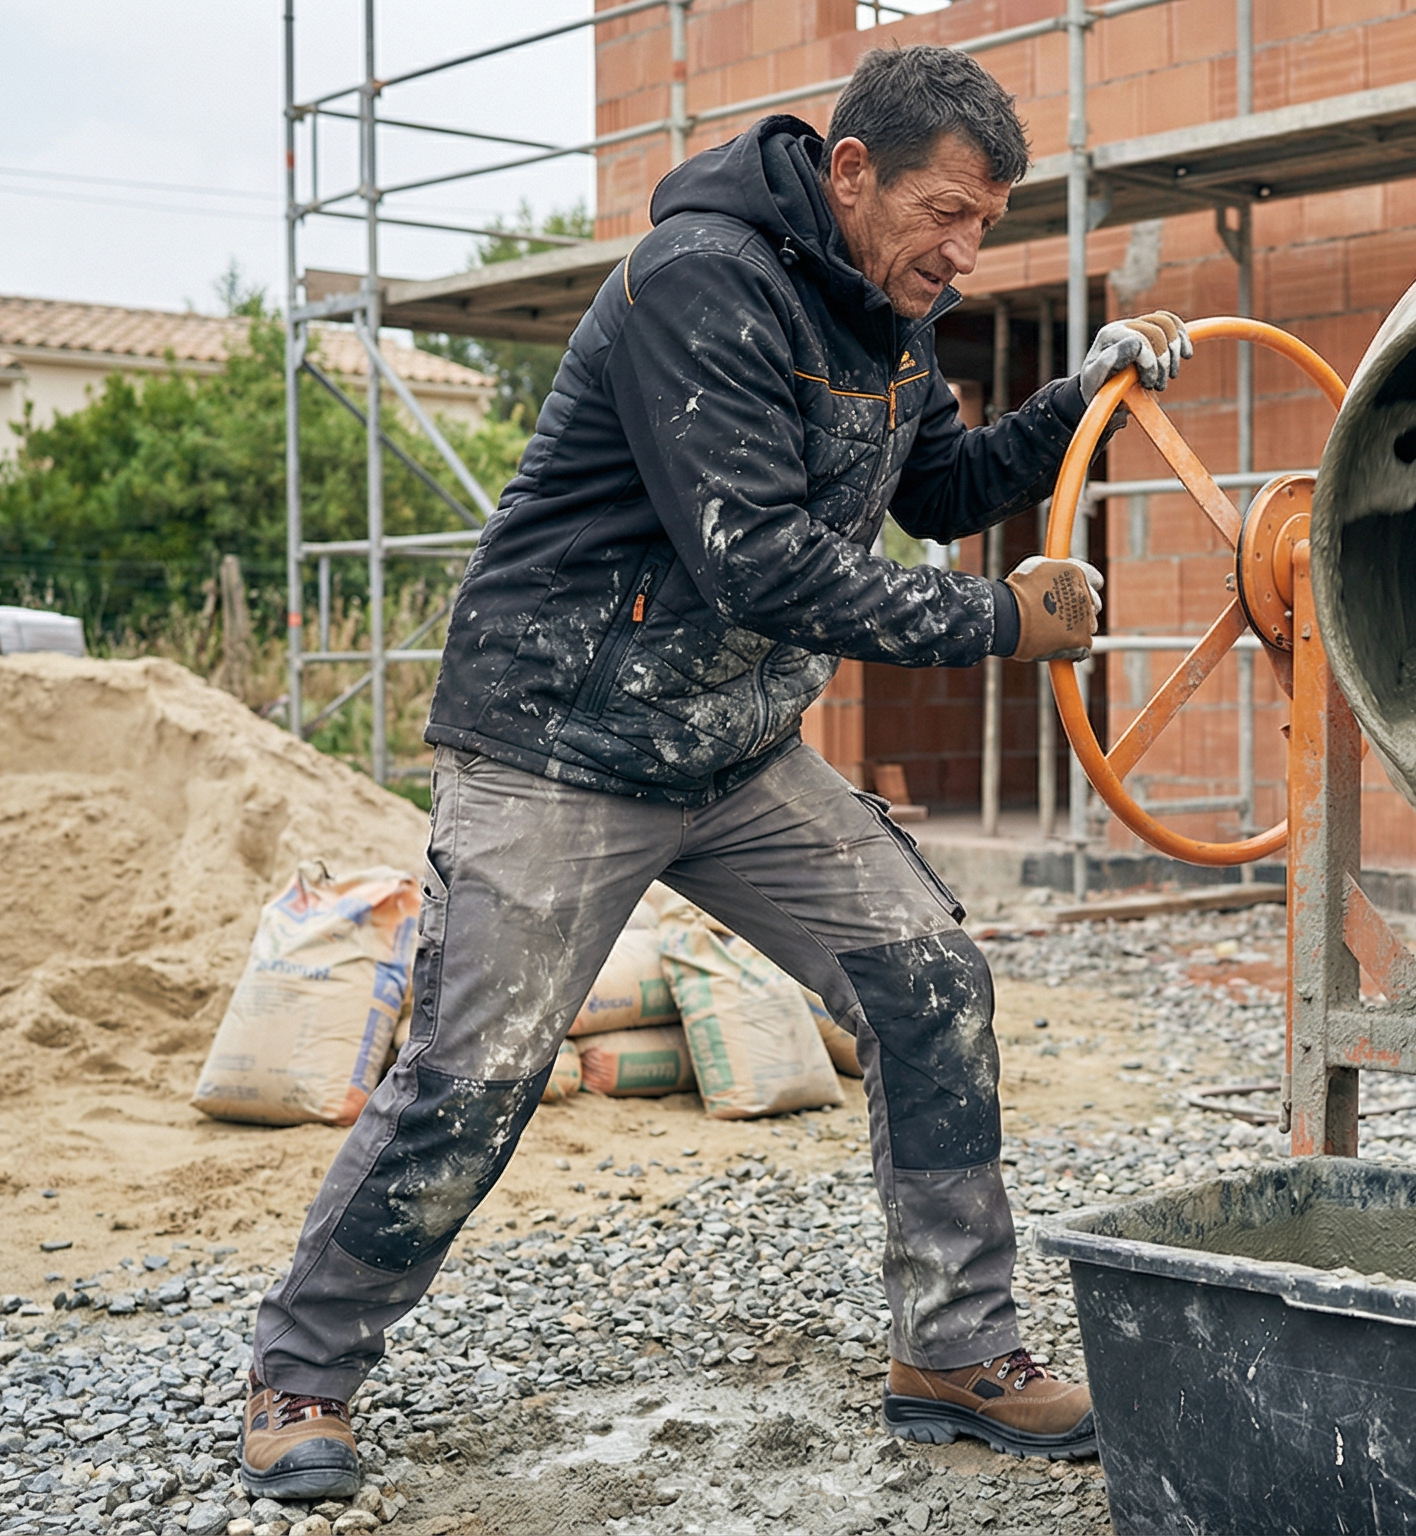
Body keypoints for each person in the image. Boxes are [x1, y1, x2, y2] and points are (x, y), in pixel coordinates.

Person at [237, 44, 1196, 1499]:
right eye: (944, 211)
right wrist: (1003, 619)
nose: (962, 248)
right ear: (850, 169)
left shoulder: (887, 312)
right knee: (477, 1072)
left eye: (986, 223)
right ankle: (302, 1376)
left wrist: (1080, 403)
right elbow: (757, 561)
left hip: (726, 745)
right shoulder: (703, 279)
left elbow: (934, 487)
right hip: (560, 732)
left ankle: (954, 1347)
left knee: (931, 978)